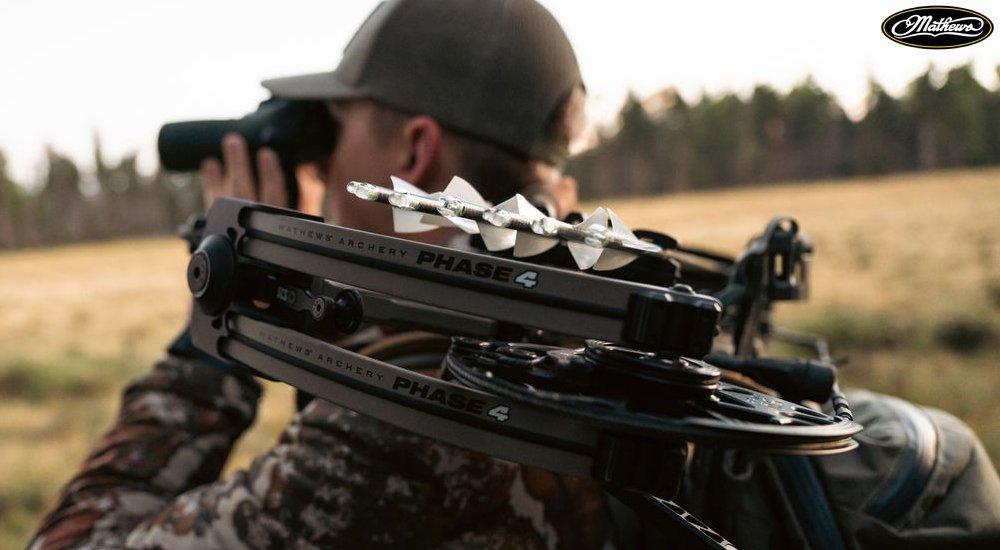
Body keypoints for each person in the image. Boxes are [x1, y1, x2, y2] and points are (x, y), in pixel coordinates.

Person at [31, 0, 1000, 548]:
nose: (319, 181)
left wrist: (220, 326)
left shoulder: (423, 425)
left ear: (411, 151)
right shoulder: (619, 331)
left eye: (332, 142)